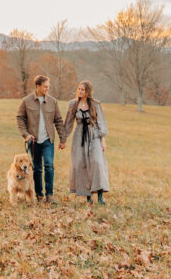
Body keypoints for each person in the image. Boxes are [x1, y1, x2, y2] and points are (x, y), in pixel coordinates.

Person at [16, 74, 66, 205]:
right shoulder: (26, 101)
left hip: (48, 140)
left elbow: (59, 121)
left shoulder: (53, 102)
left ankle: (49, 195)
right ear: (37, 86)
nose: (47, 89)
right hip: (34, 141)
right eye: (45, 87)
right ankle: (39, 194)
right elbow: (20, 118)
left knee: (49, 165)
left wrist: (62, 139)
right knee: (37, 168)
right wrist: (26, 135)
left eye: (48, 87)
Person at [64, 80, 109, 205]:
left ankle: (100, 194)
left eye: (82, 89)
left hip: (94, 135)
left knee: (97, 162)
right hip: (79, 136)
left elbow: (101, 123)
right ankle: (88, 195)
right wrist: (63, 139)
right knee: (80, 163)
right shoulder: (73, 104)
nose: (80, 91)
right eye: (79, 89)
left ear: (88, 91)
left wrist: (102, 140)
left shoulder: (95, 104)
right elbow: (68, 123)